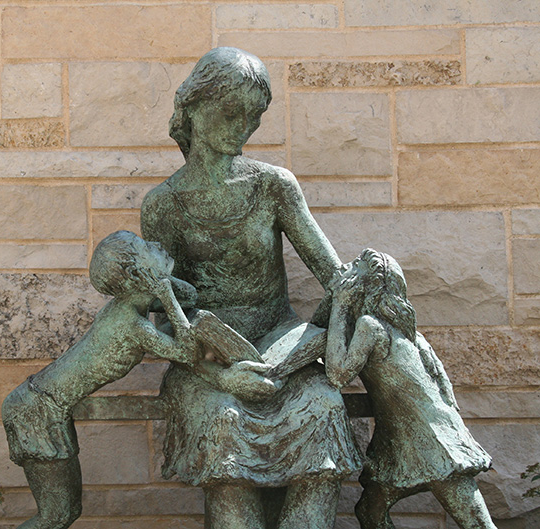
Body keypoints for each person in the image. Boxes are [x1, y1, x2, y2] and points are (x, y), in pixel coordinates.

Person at [141, 47, 361, 529]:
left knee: (322, 406)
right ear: (193, 107)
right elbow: (164, 318)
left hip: (280, 342)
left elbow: (334, 275)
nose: (242, 127)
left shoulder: (274, 186)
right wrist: (221, 376)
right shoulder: (163, 205)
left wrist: (366, 288)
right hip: (208, 364)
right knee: (225, 420)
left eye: (253, 117)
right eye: (230, 111)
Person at [1, 230, 204, 529]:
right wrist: (165, 294)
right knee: (56, 515)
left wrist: (161, 286)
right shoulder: (131, 324)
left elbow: (190, 296)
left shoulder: (132, 303)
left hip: (39, 403)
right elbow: (190, 352)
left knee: (64, 514)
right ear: (138, 274)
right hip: (36, 412)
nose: (157, 243)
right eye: (146, 246)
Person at [325, 248, 495, 529]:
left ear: (367, 285)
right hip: (403, 438)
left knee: (476, 523)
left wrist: (340, 304)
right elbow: (443, 386)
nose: (347, 267)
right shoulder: (412, 335)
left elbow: (338, 373)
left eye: (356, 266)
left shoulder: (370, 326)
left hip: (429, 439)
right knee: (369, 511)